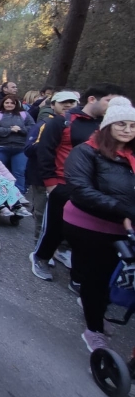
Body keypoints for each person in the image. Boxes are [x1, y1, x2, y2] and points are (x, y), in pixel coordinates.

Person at [31, 83, 125, 283]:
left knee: (82, 233)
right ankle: (41, 257)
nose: (114, 106)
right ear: (93, 99)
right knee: (54, 227)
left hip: (92, 191)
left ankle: (75, 271)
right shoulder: (62, 122)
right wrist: (51, 184)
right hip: (63, 185)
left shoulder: (110, 126)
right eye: (110, 100)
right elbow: (45, 151)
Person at [63, 97, 135, 351]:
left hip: (124, 227)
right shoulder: (86, 151)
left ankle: (95, 307)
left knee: (110, 277)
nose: (127, 130)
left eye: (132, 125)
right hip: (89, 225)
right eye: (121, 124)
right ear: (108, 126)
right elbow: (81, 190)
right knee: (97, 277)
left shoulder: (131, 155)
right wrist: (124, 209)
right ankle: (93, 329)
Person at [24, 91, 79, 242]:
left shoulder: (80, 127)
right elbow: (28, 149)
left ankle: (61, 247)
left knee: (68, 214)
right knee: (43, 213)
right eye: (63, 103)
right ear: (53, 105)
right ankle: (39, 245)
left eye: (72, 102)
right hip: (42, 177)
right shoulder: (44, 124)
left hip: (69, 178)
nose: (68, 105)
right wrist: (48, 143)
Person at [0, 94, 35, 196]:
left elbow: (33, 127)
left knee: (19, 172)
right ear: (3, 103)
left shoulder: (24, 114)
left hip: (20, 148)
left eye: (12, 103)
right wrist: (9, 130)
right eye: (7, 103)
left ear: (16, 104)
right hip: (1, 147)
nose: (9, 105)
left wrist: (21, 130)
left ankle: (18, 195)